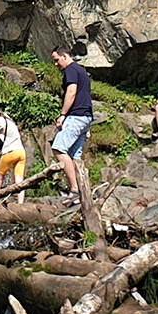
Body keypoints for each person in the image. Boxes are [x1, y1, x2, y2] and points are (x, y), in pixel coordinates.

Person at [51, 47, 93, 204]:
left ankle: (74, 190)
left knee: (58, 149)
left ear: (65, 56)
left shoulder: (70, 70)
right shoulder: (81, 71)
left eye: (57, 60)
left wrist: (62, 115)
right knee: (74, 156)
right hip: (85, 117)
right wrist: (87, 127)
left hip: (75, 116)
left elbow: (71, 92)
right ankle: (83, 192)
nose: (56, 64)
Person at [0, 102, 27, 203]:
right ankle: (21, 204)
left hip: (9, 152)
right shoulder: (6, 117)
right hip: (21, 152)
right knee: (19, 180)